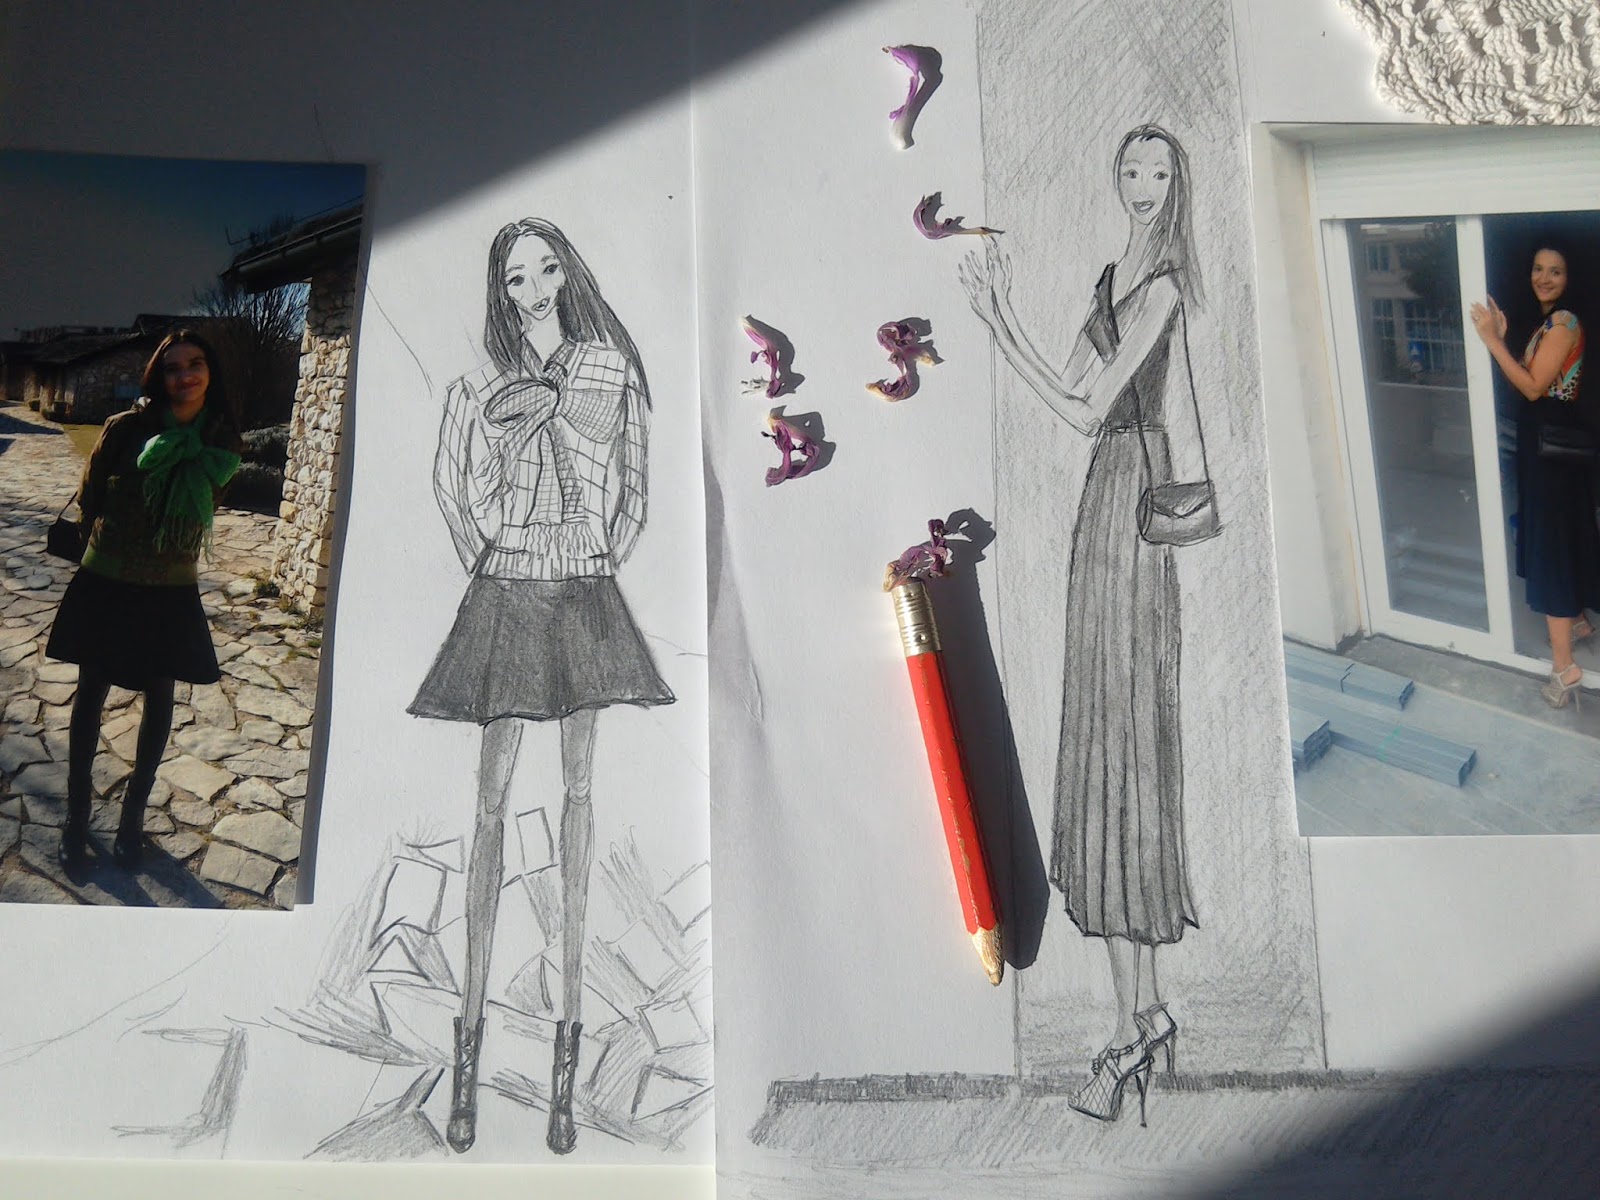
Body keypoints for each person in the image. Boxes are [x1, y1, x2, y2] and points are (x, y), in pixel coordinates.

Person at [959, 123, 1210, 1125]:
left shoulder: (1164, 289)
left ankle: (1131, 1028)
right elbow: (1069, 386)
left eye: (1159, 172)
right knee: (1105, 742)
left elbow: (1088, 406)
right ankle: (1140, 1017)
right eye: (1131, 170)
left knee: (1129, 746)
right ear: (1116, 178)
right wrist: (1004, 319)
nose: (1143, 185)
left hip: (1134, 503)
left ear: (1176, 186)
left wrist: (998, 322)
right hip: (1103, 506)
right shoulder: (1113, 282)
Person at [408, 217, 674, 1155]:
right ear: (500, 288)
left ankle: (565, 1070)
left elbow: (637, 483)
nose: (533, 289)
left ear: (568, 273)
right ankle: (467, 1067)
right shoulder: (481, 377)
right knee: (488, 808)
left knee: (579, 799)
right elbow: (449, 481)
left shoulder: (608, 369)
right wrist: (490, 551)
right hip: (509, 582)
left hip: (582, 584)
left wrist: (601, 553)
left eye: (547, 269)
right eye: (516, 276)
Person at [46, 329, 242, 872]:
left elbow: (211, 502)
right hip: (108, 578)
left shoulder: (223, 440)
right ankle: (76, 818)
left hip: (169, 588)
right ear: (159, 376)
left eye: (195, 364)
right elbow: (90, 495)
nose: (185, 375)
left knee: (159, 695)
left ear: (210, 372)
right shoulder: (126, 429)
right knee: (91, 694)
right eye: (173, 367)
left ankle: (132, 820)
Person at [1471, 244, 1597, 708]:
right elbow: (1530, 378)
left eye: (1555, 271)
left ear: (1569, 277)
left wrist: (1492, 341)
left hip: (1552, 458)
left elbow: (1532, 387)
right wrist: (1504, 340)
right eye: (1538, 269)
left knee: (1552, 551)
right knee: (1562, 539)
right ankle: (1577, 622)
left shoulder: (1563, 323)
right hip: (1548, 452)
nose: (1544, 278)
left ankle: (1564, 669)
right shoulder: (1550, 324)